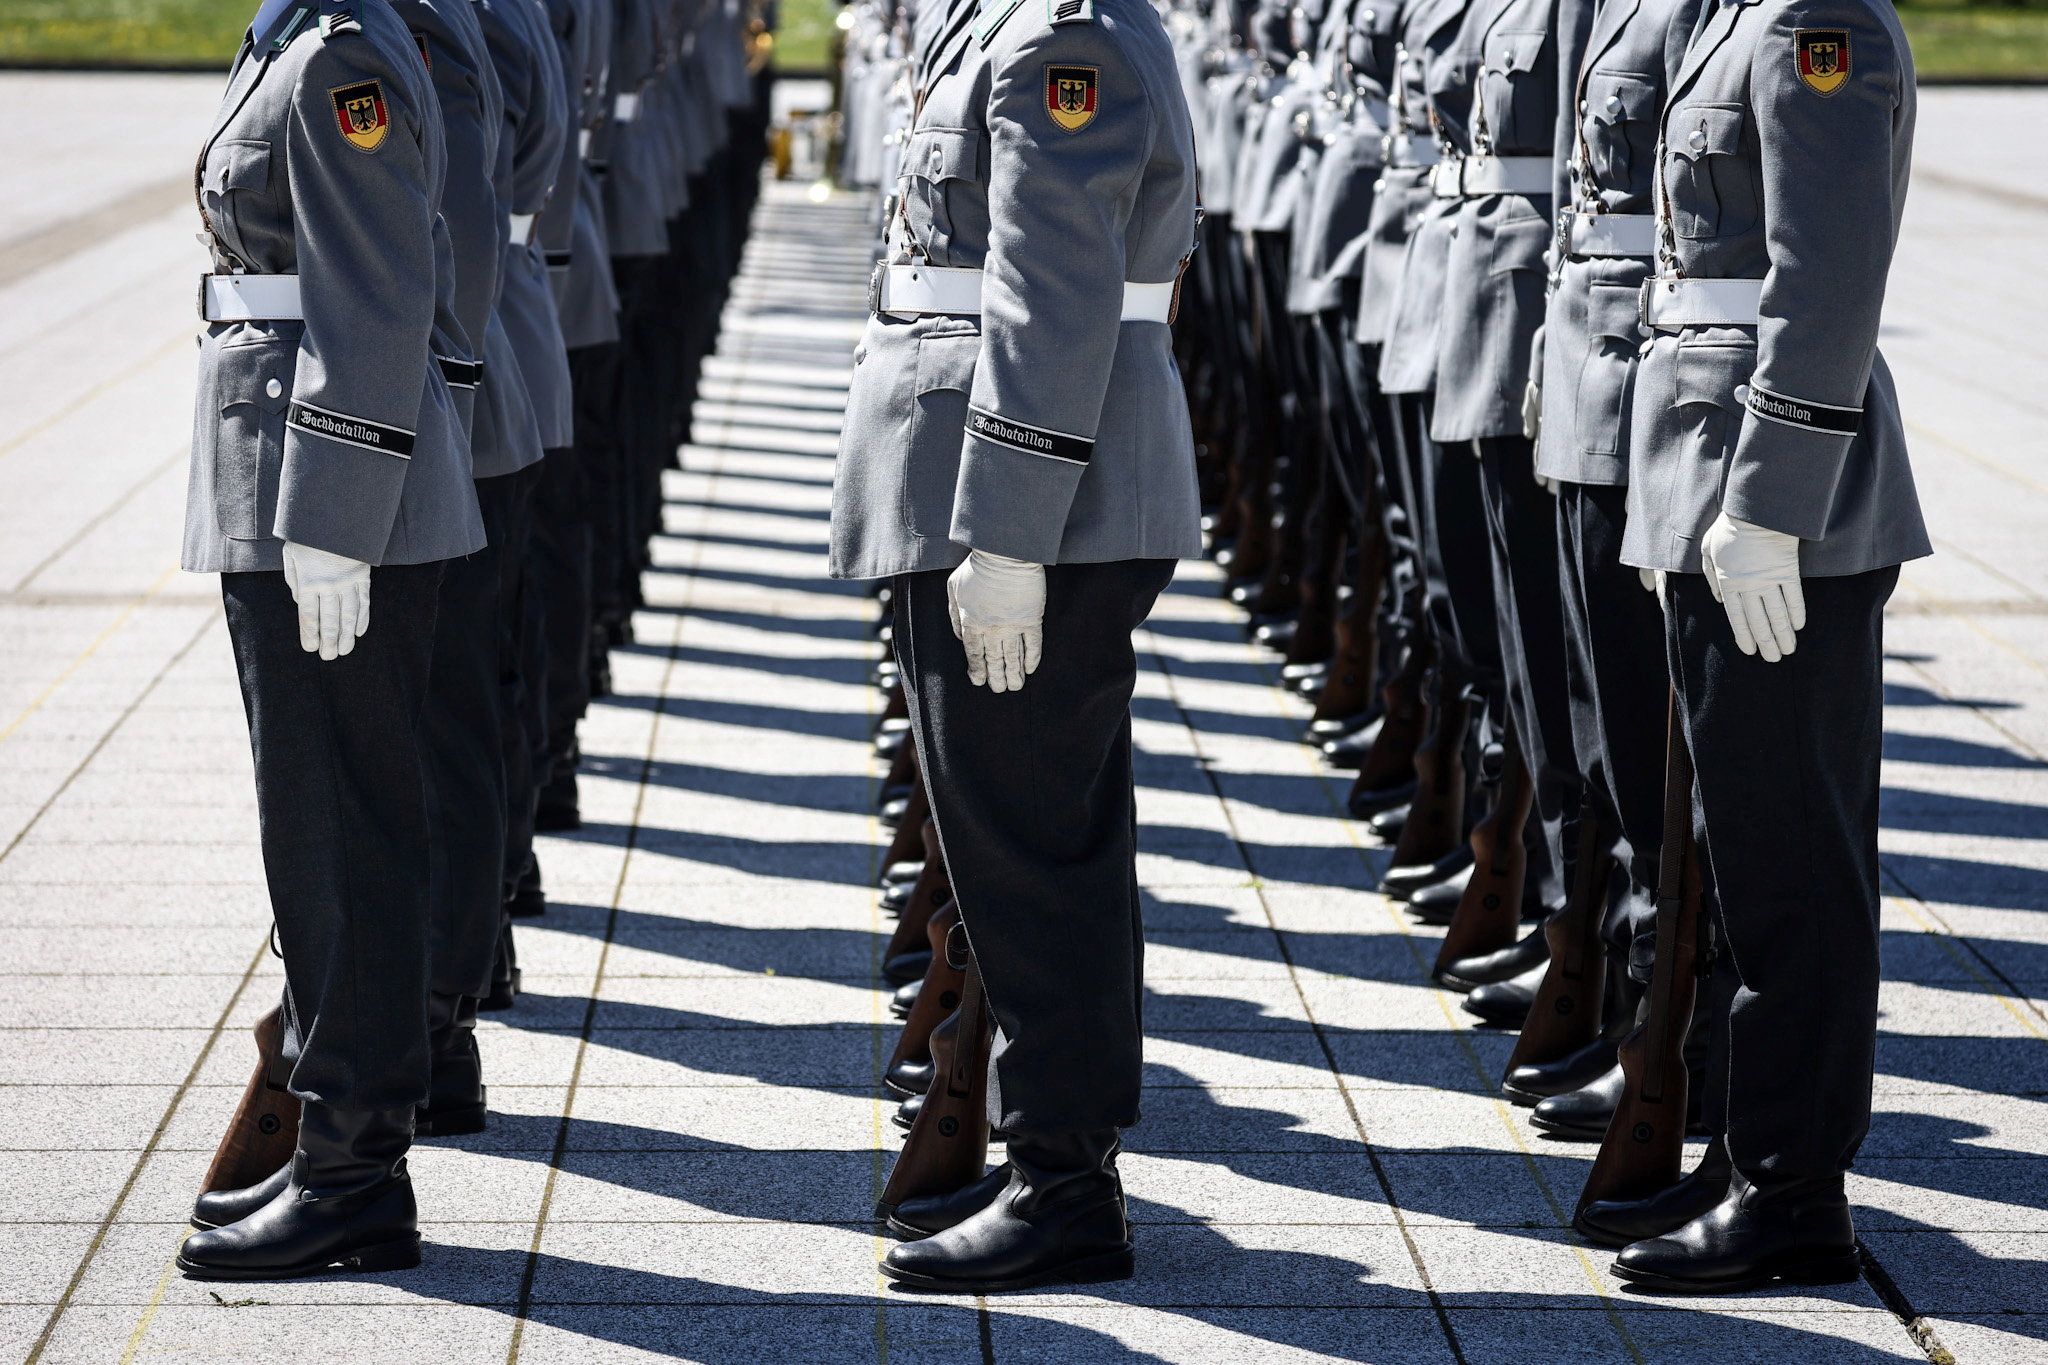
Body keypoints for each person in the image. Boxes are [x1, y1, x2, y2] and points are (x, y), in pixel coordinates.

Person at [829, 0, 1202, 1291]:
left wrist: (1008, 533)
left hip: (1036, 505)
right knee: (1029, 839)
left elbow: (1051, 289)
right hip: (1004, 489)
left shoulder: (1061, 36)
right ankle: (1053, 1158)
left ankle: (1063, 1181)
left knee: (1038, 850)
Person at [1612, 0, 1927, 1293]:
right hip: (1708, 479)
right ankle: (1755, 1153)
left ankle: (1796, 1191)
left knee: (1794, 860)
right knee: (1743, 851)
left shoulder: (1820, 20)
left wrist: (1770, 503)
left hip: (1776, 503)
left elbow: (1830, 270)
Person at [177, 0, 484, 1279]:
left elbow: (376, 290)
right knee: (321, 827)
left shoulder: (343, 49)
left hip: (323, 494)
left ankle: (355, 1163)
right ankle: (343, 1146)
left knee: (339, 830)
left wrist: (335, 516)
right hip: (289, 473)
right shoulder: (298, 34)